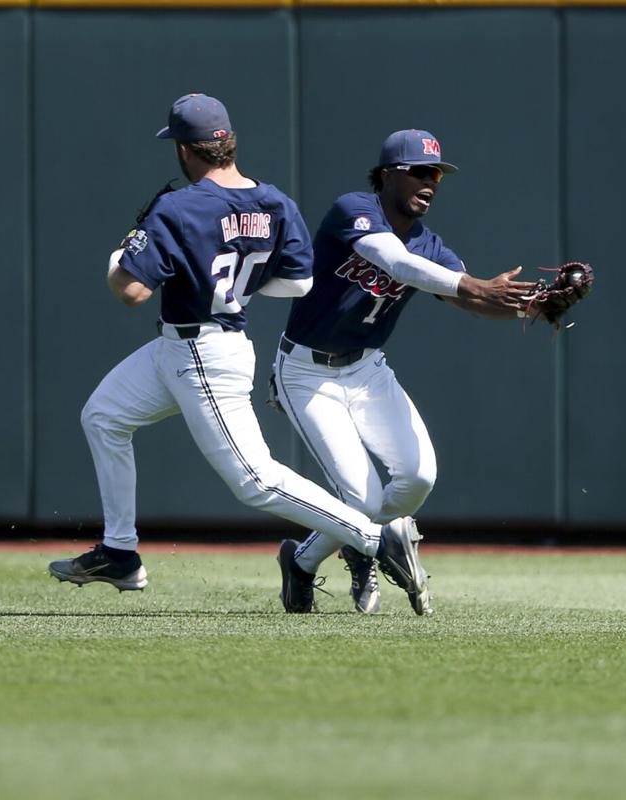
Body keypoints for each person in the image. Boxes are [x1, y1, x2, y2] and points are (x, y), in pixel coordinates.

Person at [49, 95, 429, 613]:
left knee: (255, 480)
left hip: (202, 353)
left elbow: (130, 291)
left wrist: (121, 255)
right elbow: (297, 284)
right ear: (228, 142)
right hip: (189, 345)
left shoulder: (179, 206)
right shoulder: (273, 202)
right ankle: (120, 551)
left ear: (186, 150)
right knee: (104, 416)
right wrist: (227, 281)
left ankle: (373, 538)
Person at [270, 129, 535, 614]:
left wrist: (532, 307)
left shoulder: (429, 244)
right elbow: (395, 262)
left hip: (367, 370)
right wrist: (475, 283)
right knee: (365, 500)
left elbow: (474, 302)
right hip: (307, 373)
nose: (430, 182)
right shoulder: (354, 208)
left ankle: (304, 561)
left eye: (436, 174)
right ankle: (363, 542)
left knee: (417, 477)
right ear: (389, 173)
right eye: (419, 171)